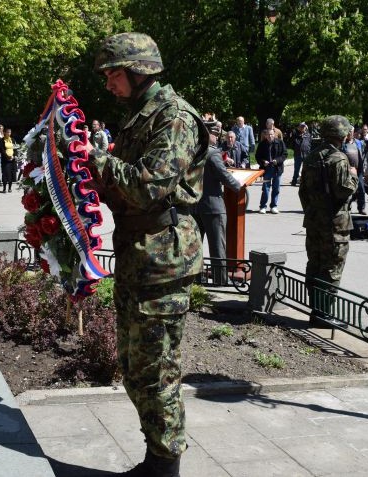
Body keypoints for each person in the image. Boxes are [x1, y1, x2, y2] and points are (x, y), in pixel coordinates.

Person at [86, 32, 208, 477]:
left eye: (112, 75)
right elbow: (125, 187)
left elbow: (147, 185)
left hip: (163, 258)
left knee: (157, 374)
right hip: (140, 255)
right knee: (135, 370)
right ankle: (156, 457)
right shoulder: (140, 115)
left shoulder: (173, 116)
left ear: (139, 72)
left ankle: (165, 467)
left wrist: (95, 158)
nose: (107, 84)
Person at [299, 115, 358, 329]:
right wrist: (354, 176)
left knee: (314, 263)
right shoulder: (339, 159)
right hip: (334, 224)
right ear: (342, 135)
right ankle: (323, 314)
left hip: (314, 221)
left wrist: (313, 211)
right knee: (331, 267)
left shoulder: (311, 157)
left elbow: (302, 192)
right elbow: (343, 191)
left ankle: (316, 310)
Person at [195, 121, 241, 285]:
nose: (218, 138)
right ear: (209, 135)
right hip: (213, 206)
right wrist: (238, 185)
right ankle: (220, 281)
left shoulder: (193, 151)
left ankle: (196, 278)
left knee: (195, 246)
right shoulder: (212, 154)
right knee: (217, 247)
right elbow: (224, 176)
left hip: (195, 206)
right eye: (216, 134)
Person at [255, 128, 286, 213]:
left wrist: (277, 160)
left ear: (274, 135)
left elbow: (284, 154)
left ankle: (274, 206)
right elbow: (258, 156)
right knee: (265, 188)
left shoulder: (280, 142)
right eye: (268, 134)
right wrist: (263, 162)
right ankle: (263, 206)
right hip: (266, 169)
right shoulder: (262, 144)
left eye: (271, 134)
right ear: (265, 135)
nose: (270, 136)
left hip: (277, 169)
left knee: (276, 189)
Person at [344, 128, 366, 214]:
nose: (350, 133)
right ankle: (347, 207)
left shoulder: (358, 142)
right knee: (348, 190)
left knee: (361, 189)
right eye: (348, 131)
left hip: (358, 170)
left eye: (351, 131)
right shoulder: (343, 143)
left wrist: (363, 166)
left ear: (353, 133)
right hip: (347, 170)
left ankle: (361, 208)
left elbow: (362, 155)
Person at [290, 122, 312, 186]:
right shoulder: (295, 134)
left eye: (304, 126)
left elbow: (310, 143)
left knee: (306, 169)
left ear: (306, 127)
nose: (302, 128)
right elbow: (292, 143)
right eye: (301, 126)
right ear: (299, 127)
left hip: (306, 154)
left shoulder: (308, 135)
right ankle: (294, 181)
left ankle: (304, 182)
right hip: (298, 154)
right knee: (296, 169)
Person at [0, 128, 18, 192]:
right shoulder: (2, 140)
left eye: (10, 132)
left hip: (12, 160)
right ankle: (4, 188)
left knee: (11, 174)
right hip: (5, 160)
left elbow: (15, 149)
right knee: (5, 174)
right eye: (7, 132)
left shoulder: (12, 140)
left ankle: (10, 188)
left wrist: (14, 156)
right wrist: (7, 156)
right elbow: (2, 150)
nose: (9, 133)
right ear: (4, 132)